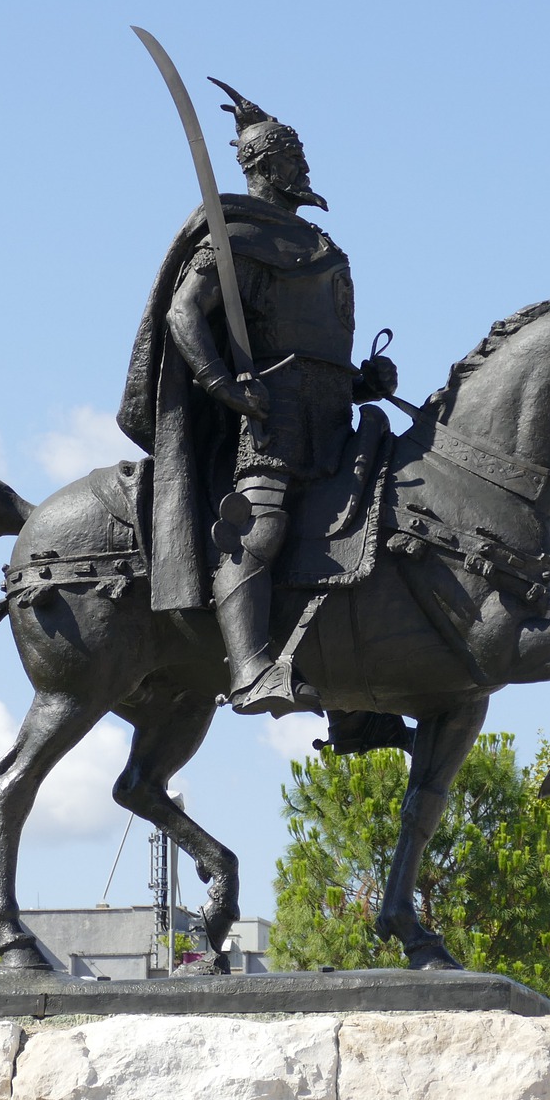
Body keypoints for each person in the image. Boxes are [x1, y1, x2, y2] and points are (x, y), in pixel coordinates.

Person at [118, 80, 397, 716]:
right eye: (294, 158)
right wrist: (224, 384)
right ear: (266, 165)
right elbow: (184, 315)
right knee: (260, 527)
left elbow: (320, 353)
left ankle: (360, 701)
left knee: (386, 527)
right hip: (269, 424)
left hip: (333, 421)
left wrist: (363, 382)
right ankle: (249, 671)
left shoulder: (325, 249)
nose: (305, 169)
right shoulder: (236, 237)